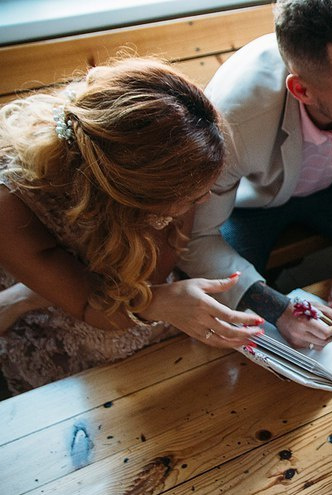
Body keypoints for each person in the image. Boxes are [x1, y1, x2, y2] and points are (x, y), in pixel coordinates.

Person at [178, 0, 332, 351]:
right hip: (257, 200)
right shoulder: (233, 115)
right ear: (302, 91)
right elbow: (196, 236)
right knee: (220, 294)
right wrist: (277, 308)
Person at [0, 57, 265, 395]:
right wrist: (157, 303)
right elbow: (88, 306)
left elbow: (151, 278)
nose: (205, 201)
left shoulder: (178, 157)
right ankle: (25, 296)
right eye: (191, 197)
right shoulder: (11, 203)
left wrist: (161, 293)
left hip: (118, 275)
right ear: (131, 199)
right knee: (111, 355)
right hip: (71, 294)